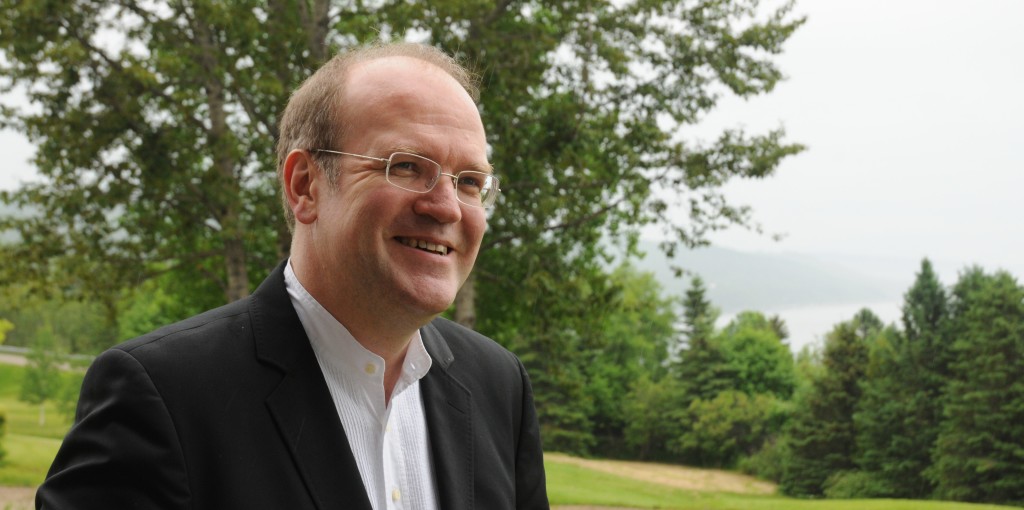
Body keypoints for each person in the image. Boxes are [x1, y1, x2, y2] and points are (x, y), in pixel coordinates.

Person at [36, 42, 549, 510]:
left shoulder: (498, 388)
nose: (447, 208)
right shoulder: (163, 398)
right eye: (406, 166)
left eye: (470, 181)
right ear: (305, 186)